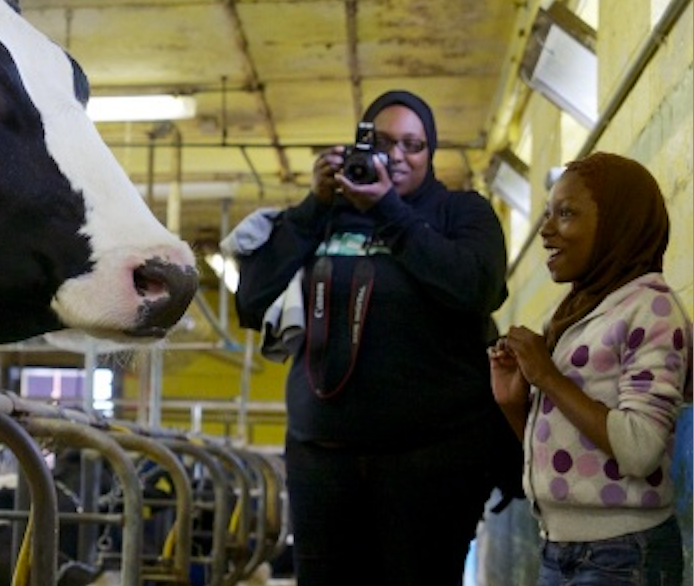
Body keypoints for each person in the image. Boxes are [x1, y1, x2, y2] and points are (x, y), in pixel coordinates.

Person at [231, 90, 512, 585]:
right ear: (360, 144)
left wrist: (391, 213)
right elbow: (252, 302)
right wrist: (312, 208)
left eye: (413, 145)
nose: (399, 156)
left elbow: (476, 290)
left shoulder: (460, 213)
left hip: (433, 462)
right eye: (383, 142)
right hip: (323, 461)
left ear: (431, 152)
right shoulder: (325, 218)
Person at [488, 152, 691, 586]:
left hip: (623, 554)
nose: (545, 231)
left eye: (566, 214)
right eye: (546, 214)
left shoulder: (651, 308)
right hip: (558, 547)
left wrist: (547, 377)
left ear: (619, 224)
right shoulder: (573, 315)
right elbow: (568, 450)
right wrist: (512, 404)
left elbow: (639, 449)